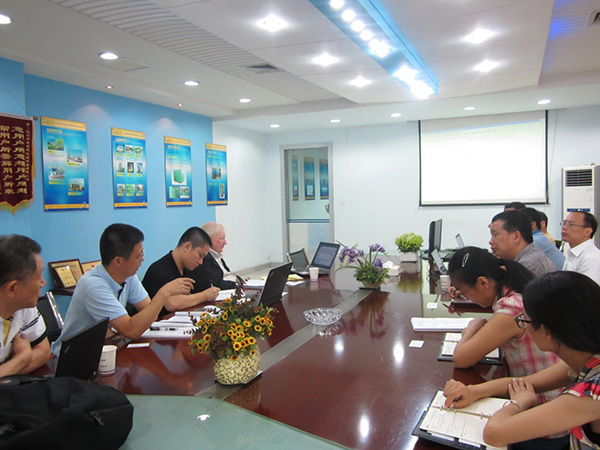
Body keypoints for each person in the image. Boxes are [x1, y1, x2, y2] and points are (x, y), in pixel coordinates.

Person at [443, 271, 600, 450]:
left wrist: (520, 403)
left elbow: (494, 433)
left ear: (546, 332)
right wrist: (472, 391)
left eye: (524, 321)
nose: (522, 326)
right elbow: (526, 382)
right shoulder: (585, 359)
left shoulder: (592, 393)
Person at [52, 224, 193, 354]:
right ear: (118, 261)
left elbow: (150, 314)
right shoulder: (93, 286)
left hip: (105, 348)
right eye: (139, 256)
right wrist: (164, 292)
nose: (142, 260)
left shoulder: (128, 276)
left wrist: (120, 327)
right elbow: (132, 331)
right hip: (73, 357)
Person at [447, 246, 559, 382]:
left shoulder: (511, 308)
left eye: (465, 293)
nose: (467, 298)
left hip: (540, 392)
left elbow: (460, 359)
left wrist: (472, 328)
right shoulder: (514, 286)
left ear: (483, 283)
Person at [0, 235, 51, 376]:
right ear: (12, 288)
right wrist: (23, 357)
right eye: (39, 276)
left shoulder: (24, 305)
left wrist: (8, 369)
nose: (43, 283)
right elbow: (33, 355)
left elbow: (43, 352)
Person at [142, 226, 220, 317]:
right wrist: (204, 296)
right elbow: (171, 303)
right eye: (200, 255)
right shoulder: (160, 270)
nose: (201, 262)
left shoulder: (188, 269)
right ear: (187, 247)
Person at [489, 210, 557, 277]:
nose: (490, 241)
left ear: (516, 236)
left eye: (495, 234)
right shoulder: (529, 255)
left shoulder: (528, 265)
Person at [188, 222, 242, 292]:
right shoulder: (204, 259)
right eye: (222, 238)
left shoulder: (217, 255)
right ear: (209, 239)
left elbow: (228, 273)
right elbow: (216, 284)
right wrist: (240, 285)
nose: (225, 242)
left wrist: (243, 282)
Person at [561, 211, 600, 286]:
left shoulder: (591, 258)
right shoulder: (573, 252)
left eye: (571, 224)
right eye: (564, 223)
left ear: (587, 231)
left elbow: (587, 291)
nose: (564, 227)